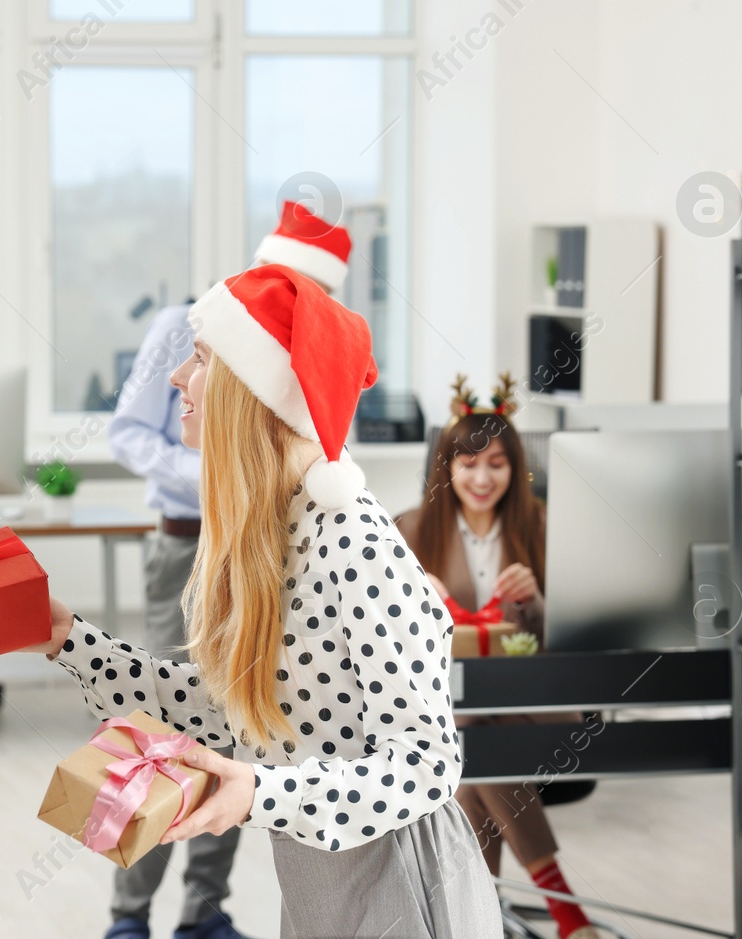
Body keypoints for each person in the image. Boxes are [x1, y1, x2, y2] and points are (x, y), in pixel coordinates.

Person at [30, 265, 500, 938]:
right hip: (324, 883)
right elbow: (235, 713)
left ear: (254, 390)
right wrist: (69, 639)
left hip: (403, 884)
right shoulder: (282, 530)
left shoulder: (354, 540)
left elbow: (427, 763)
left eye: (199, 360)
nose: (176, 380)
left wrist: (260, 790)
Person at [100, 200, 351, 939]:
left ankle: (203, 910)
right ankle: (128, 913)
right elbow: (126, 432)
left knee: (241, 722)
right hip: (186, 544)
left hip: (266, 552)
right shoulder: (188, 327)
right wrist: (218, 474)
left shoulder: (309, 349)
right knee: (160, 724)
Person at [394, 374, 597, 939]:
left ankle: (477, 921)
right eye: (468, 464)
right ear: (446, 468)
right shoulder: (407, 532)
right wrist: (416, 602)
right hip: (450, 710)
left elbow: (578, 634)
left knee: (470, 742)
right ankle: (560, 913)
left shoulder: (541, 526)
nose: (482, 478)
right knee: (472, 742)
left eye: (498, 464)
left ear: (517, 470)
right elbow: (382, 640)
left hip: (535, 707)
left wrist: (536, 603)